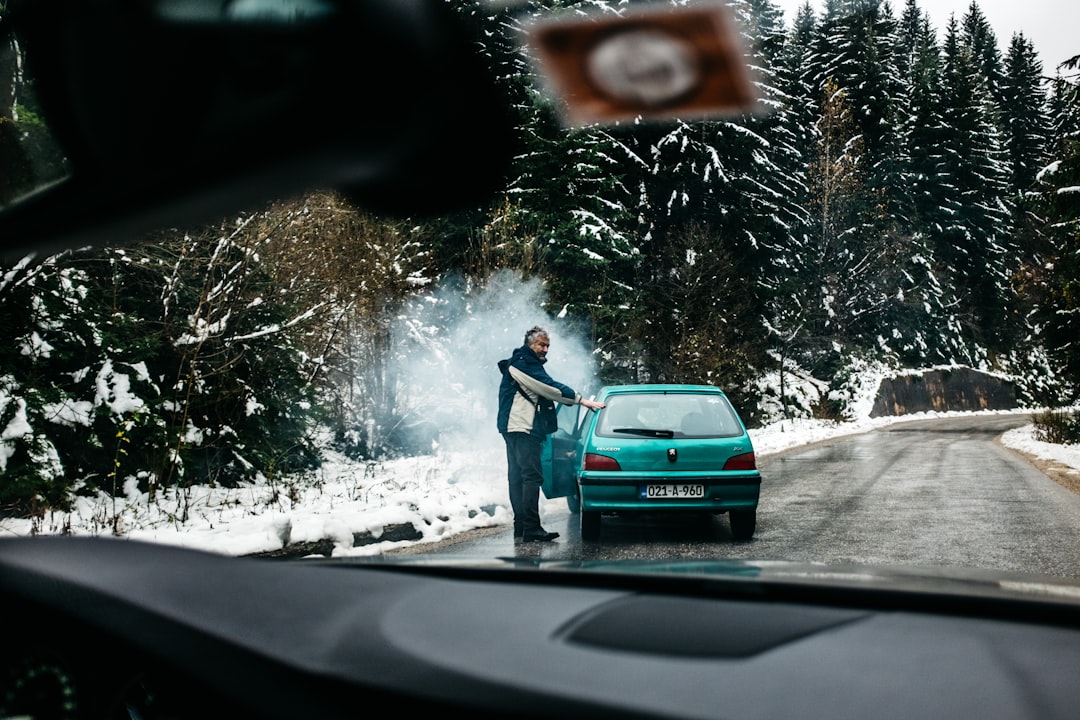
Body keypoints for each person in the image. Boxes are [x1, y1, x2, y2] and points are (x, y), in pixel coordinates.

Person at [497, 326, 605, 542]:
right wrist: (581, 400)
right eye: (541, 344)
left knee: (518, 477)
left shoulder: (524, 363)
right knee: (530, 476)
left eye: (547, 345)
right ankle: (531, 528)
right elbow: (549, 387)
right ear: (530, 343)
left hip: (514, 428)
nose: (545, 349)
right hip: (522, 428)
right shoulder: (523, 363)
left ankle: (522, 527)